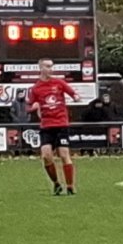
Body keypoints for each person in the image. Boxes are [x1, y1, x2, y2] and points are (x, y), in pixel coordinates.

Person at [28, 58, 79, 195]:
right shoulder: (36, 88)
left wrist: (76, 96)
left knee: (64, 154)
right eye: (47, 66)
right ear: (41, 68)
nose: (50, 69)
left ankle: (70, 186)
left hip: (61, 124)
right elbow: (29, 105)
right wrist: (33, 106)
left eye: (51, 66)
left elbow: (72, 93)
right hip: (46, 126)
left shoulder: (59, 83)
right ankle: (56, 183)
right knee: (46, 156)